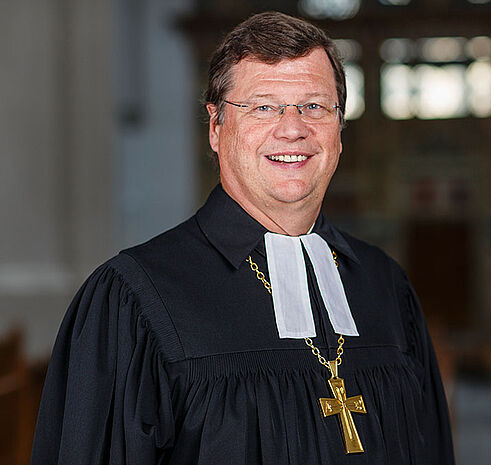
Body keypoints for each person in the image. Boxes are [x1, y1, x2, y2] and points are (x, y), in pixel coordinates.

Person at [31, 11, 455, 465]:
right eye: (263, 106)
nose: (293, 128)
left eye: (314, 105)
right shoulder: (134, 298)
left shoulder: (384, 283)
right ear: (216, 127)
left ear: (339, 128)